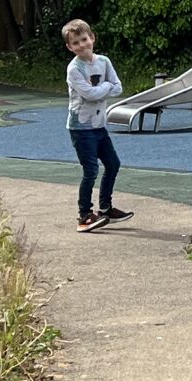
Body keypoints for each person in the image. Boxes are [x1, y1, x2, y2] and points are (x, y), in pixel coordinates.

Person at [62, 18, 132, 232]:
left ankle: (105, 208)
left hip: (99, 125)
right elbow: (90, 94)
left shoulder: (104, 62)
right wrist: (106, 87)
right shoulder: (74, 69)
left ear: (92, 38)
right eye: (76, 43)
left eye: (84, 39)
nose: (82, 45)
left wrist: (105, 87)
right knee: (91, 170)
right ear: (70, 47)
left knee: (113, 164)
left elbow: (118, 88)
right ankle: (84, 215)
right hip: (81, 127)